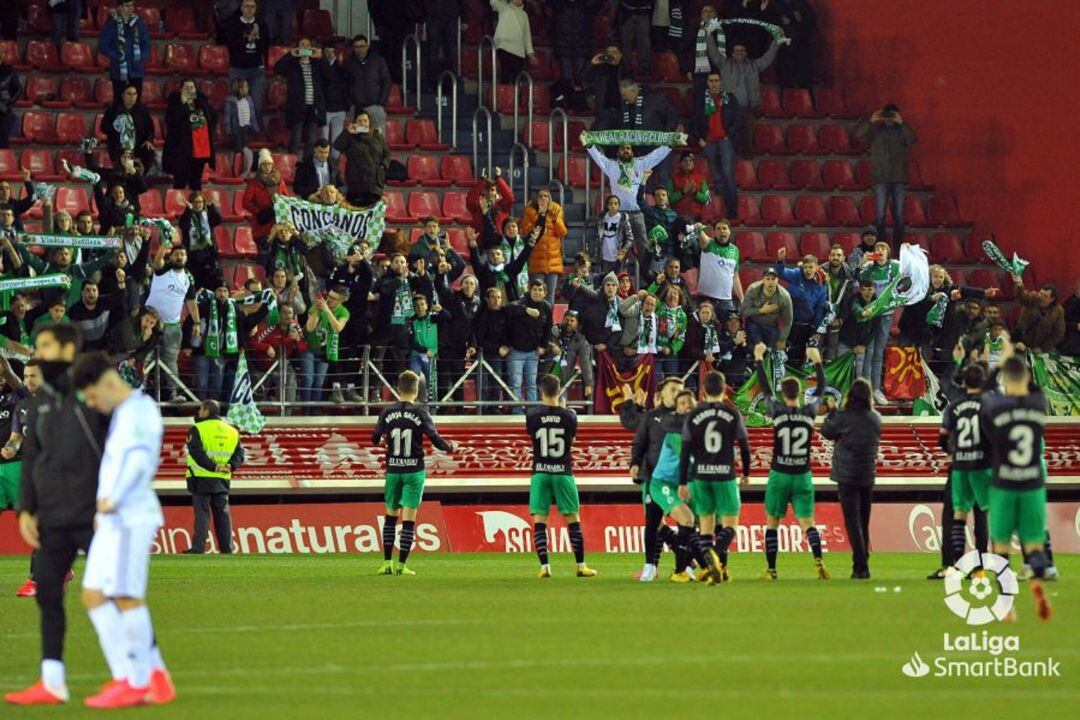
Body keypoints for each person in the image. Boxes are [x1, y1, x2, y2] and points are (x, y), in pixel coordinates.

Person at [65, 352, 173, 708]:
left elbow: (140, 460)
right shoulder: (124, 413)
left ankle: (135, 680)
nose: (94, 405)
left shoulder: (139, 411)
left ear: (108, 382)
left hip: (129, 515)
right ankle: (149, 674)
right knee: (94, 595)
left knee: (127, 597)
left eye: (93, 397)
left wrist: (112, 500)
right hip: (112, 517)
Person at [1, 326, 101, 706]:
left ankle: (143, 671)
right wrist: (26, 506)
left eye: (43, 349)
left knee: (113, 594)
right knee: (46, 594)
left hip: (91, 511)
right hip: (53, 511)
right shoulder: (34, 404)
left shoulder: (87, 394)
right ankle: (52, 680)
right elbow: (31, 456)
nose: (35, 358)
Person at [980, 348, 1053, 621]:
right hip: (1033, 483)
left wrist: (999, 367)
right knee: (1033, 545)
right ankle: (1037, 584)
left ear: (1006, 382)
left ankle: (1007, 604)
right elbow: (1032, 387)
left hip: (1004, 483)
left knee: (999, 546)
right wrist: (1018, 369)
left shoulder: (996, 407)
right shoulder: (1038, 404)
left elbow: (986, 394)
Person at [753, 342, 830, 581]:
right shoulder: (809, 413)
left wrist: (758, 359)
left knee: (773, 522)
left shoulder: (776, 410)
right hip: (802, 474)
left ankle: (772, 569)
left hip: (780, 474)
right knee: (808, 522)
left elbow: (765, 389)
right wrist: (817, 362)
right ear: (798, 393)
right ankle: (819, 562)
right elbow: (820, 392)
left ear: (783, 394)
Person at [372, 370, 458, 575]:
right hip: (414, 470)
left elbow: (375, 439)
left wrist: (384, 441)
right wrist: (451, 447)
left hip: (393, 469)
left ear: (398, 388)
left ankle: (386, 563)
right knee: (408, 519)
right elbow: (436, 440)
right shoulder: (421, 413)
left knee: (391, 516)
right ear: (416, 389)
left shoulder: (387, 412)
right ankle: (402, 565)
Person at [641, 389, 724, 582]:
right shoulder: (676, 433)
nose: (687, 405)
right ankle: (681, 570)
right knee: (686, 520)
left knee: (690, 524)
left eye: (690, 402)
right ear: (677, 411)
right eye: (682, 403)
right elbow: (689, 460)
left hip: (683, 483)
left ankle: (693, 567)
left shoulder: (698, 431)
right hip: (663, 484)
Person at [679, 370, 751, 582]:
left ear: (703, 390)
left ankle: (712, 567)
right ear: (724, 388)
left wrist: (683, 481)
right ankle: (714, 556)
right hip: (725, 475)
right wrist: (746, 473)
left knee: (706, 527)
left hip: (700, 476)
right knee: (729, 526)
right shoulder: (732, 414)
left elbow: (685, 451)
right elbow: (744, 447)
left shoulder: (693, 416)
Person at [526, 374, 597, 578]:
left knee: (540, 520)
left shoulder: (532, 415)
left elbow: (533, 437)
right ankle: (581, 566)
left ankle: (544, 567)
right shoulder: (570, 416)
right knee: (572, 518)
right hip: (562, 471)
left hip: (540, 471)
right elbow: (571, 441)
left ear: (541, 392)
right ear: (559, 391)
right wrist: (563, 410)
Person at [820, 377, 881, 579]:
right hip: (867, 475)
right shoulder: (875, 418)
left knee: (852, 522)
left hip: (847, 475)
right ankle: (861, 564)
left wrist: (832, 412)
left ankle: (860, 563)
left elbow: (827, 432)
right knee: (864, 520)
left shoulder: (844, 417)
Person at [623, 376, 684, 581]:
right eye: (673, 390)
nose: (677, 394)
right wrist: (635, 463)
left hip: (680, 481)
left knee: (685, 523)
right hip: (653, 478)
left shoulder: (688, 419)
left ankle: (685, 564)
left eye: (680, 391)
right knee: (653, 523)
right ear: (662, 394)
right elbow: (639, 443)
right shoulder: (651, 417)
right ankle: (652, 566)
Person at [936, 361, 993, 567]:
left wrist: (955, 452)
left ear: (964, 382)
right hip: (983, 467)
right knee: (981, 517)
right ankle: (980, 565)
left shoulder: (955, 406)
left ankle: (953, 564)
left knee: (955, 515)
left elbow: (942, 440)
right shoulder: (989, 406)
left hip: (960, 466)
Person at [584, 134, 675, 261]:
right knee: (620, 251)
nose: (626, 151)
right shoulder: (612, 166)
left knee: (645, 250)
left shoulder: (640, 164)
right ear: (618, 153)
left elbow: (655, 157)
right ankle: (619, 278)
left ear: (632, 151)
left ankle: (647, 279)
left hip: (638, 214)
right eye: (622, 149)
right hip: (620, 216)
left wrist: (669, 145)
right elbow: (599, 158)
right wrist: (590, 145)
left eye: (628, 148)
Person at [184, 399, 244, 554]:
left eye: (201, 410)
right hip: (222, 478)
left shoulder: (197, 428)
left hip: (200, 477)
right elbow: (239, 454)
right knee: (223, 514)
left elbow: (196, 452)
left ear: (207, 412)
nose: (198, 412)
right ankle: (227, 548)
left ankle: (198, 548)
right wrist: (230, 466)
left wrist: (212, 466)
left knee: (202, 514)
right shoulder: (232, 430)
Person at [855, 104, 917, 252]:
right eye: (887, 115)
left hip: (898, 177)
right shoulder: (875, 130)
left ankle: (897, 248)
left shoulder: (901, 131)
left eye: (892, 115)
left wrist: (901, 123)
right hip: (880, 177)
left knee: (899, 216)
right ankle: (882, 246)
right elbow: (859, 136)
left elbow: (912, 139)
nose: (889, 118)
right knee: (879, 215)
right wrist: (872, 120)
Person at [145, 245, 201, 401]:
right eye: (177, 254)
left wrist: (196, 323)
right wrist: (165, 244)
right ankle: (138, 392)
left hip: (173, 327)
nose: (180, 257)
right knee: (145, 358)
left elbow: (191, 301)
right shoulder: (163, 270)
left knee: (171, 362)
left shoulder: (188, 277)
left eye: (183, 254)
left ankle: (173, 394)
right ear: (170, 257)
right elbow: (157, 260)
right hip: (150, 324)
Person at [856, 241, 901, 404]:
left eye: (883, 248)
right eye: (877, 249)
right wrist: (862, 262)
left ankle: (876, 388)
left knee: (879, 351)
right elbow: (855, 279)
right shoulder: (868, 267)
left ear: (888, 253)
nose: (879, 250)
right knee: (868, 350)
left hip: (886, 315)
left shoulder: (895, 266)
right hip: (870, 314)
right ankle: (866, 389)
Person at [691, 73, 741, 218]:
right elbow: (693, 119)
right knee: (716, 174)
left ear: (721, 82)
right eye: (711, 81)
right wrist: (699, 138)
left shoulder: (729, 99)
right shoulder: (701, 100)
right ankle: (719, 200)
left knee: (728, 175)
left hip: (725, 140)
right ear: (707, 82)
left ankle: (732, 212)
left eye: (716, 80)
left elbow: (737, 119)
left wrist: (729, 134)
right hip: (708, 141)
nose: (714, 83)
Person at [274, 39, 327, 157]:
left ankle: (307, 167)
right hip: (297, 107)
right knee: (296, 139)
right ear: (297, 47)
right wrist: (290, 54)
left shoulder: (316, 64)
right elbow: (277, 68)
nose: (305, 47)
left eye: (308, 45)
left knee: (311, 140)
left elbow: (329, 75)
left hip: (314, 107)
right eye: (302, 45)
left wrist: (321, 57)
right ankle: (292, 166)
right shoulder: (292, 65)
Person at [774, 247, 827, 364]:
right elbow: (781, 272)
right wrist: (780, 260)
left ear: (817, 268)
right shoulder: (796, 275)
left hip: (806, 326)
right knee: (786, 356)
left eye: (811, 267)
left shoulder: (822, 287)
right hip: (789, 324)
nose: (808, 270)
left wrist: (816, 331)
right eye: (805, 267)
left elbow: (819, 311)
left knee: (800, 359)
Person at [163, 80, 216, 191]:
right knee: (180, 182)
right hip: (182, 151)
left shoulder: (201, 102)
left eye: (192, 87)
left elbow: (213, 117)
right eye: (186, 87)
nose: (189, 90)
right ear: (181, 90)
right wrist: (182, 103)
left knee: (196, 183)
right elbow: (172, 121)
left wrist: (200, 103)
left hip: (201, 149)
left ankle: (197, 207)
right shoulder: (175, 103)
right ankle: (177, 206)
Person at [519, 188, 568, 302]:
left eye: (546, 196)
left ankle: (548, 319)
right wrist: (540, 217)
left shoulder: (556, 210)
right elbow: (526, 231)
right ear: (536, 199)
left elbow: (563, 232)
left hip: (553, 261)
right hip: (536, 260)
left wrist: (555, 220)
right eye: (540, 196)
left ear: (550, 198)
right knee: (536, 295)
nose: (543, 198)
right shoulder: (530, 211)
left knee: (550, 296)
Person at [223, 0, 270, 119]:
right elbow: (231, 46)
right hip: (238, 69)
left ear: (255, 9)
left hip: (256, 70)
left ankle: (251, 133)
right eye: (247, 6)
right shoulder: (233, 24)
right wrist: (248, 38)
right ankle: (238, 135)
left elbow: (266, 47)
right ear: (242, 8)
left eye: (252, 7)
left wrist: (258, 38)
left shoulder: (262, 24)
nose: (249, 9)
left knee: (256, 106)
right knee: (237, 105)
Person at [334, 109, 390, 207]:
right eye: (360, 121)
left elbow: (386, 154)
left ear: (369, 122)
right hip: (355, 184)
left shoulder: (377, 136)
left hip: (374, 184)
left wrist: (383, 167)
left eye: (365, 121)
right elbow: (337, 146)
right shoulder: (350, 137)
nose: (363, 123)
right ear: (355, 123)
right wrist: (347, 132)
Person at [98, 0, 150, 100]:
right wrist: (118, 56)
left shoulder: (139, 23)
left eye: (132, 5)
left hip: (136, 71)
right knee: (118, 103)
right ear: (120, 7)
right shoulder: (112, 24)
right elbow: (103, 46)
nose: (131, 8)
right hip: (118, 71)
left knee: (135, 104)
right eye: (127, 6)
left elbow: (146, 45)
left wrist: (138, 57)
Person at [342, 35, 391, 138]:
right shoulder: (348, 63)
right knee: (357, 140)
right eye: (356, 46)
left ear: (367, 46)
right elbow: (344, 85)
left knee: (378, 139)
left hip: (375, 107)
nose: (359, 49)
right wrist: (350, 104)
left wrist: (381, 102)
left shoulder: (378, 61)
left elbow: (386, 81)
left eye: (362, 46)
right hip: (356, 108)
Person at [1011, 274, 1065, 354]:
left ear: (1052, 299)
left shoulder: (1058, 311)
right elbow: (1021, 296)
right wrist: (1019, 286)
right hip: (1021, 340)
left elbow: (1058, 333)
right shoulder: (1032, 298)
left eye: (1045, 296)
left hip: (1038, 346)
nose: (1041, 297)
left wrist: (1043, 348)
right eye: (1041, 293)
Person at [741, 268, 792, 351]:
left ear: (777, 280)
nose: (770, 282)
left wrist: (782, 339)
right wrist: (762, 310)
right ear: (763, 280)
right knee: (756, 348)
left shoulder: (784, 296)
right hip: (754, 323)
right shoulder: (753, 289)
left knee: (772, 350)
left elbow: (788, 321)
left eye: (773, 279)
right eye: (767, 279)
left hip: (771, 325)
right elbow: (744, 311)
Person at [491, 0, 536, 83]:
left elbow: (527, 35)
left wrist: (530, 54)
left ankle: (517, 96)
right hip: (503, 46)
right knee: (506, 75)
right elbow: (493, 1)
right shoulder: (504, 7)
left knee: (518, 79)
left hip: (519, 50)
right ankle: (503, 95)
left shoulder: (524, 15)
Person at [617, 0, 654, 77]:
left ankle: (644, 67)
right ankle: (625, 67)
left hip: (643, 13)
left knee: (643, 42)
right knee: (626, 43)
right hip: (627, 14)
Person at [0, 45, 21, 149]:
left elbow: (18, 90)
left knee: (3, 142)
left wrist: (8, 103)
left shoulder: (9, 70)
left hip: (3, 110)